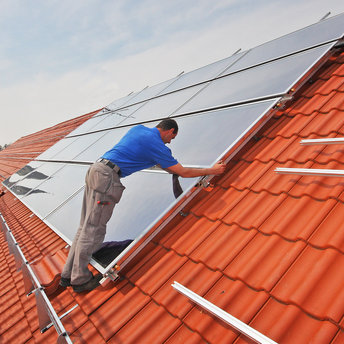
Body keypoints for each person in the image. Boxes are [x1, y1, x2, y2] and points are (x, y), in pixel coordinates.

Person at [60, 118, 226, 293]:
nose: (170, 141)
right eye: (172, 138)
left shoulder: (138, 130)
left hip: (96, 170)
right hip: (108, 179)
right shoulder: (157, 146)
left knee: (85, 225)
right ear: (170, 131)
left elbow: (136, 151)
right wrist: (212, 170)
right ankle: (80, 279)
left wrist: (161, 158)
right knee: (94, 228)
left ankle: (67, 274)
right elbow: (182, 172)